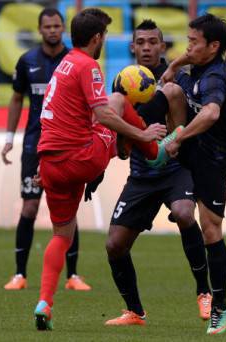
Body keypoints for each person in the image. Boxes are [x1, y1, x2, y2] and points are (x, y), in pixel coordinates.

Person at [32, 8, 171, 331]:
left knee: (61, 236)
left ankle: (44, 303)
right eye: (104, 37)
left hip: (50, 164)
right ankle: (155, 152)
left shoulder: (64, 63)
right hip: (81, 159)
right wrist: (141, 134)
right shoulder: (87, 65)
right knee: (120, 100)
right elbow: (106, 114)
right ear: (97, 39)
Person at [99, 19, 212, 327]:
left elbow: (185, 131)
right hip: (141, 175)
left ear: (163, 47)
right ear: (132, 47)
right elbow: (119, 142)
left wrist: (167, 143)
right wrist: (129, 142)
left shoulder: (176, 82)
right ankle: (135, 311)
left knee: (185, 213)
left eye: (153, 42)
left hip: (176, 170)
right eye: (141, 42)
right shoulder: (121, 86)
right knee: (114, 245)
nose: (147, 47)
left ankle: (205, 292)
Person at [151, 13, 226, 335]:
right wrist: (174, 66)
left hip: (214, 157)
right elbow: (170, 84)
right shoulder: (195, 69)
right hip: (195, 147)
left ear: (214, 46)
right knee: (172, 90)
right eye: (187, 40)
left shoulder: (215, 76)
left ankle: (219, 306)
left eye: (194, 42)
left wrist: (176, 138)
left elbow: (212, 112)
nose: (188, 47)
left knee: (211, 231)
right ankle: (165, 163)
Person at [1, 8, 91, 291]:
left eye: (57, 26)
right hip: (34, 146)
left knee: (69, 210)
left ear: (63, 29)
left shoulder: (74, 61)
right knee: (29, 206)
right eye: (48, 26)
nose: (53, 30)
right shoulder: (27, 61)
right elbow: (16, 99)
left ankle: (73, 276)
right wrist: (9, 137)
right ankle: (19, 275)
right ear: (39, 30)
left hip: (67, 146)